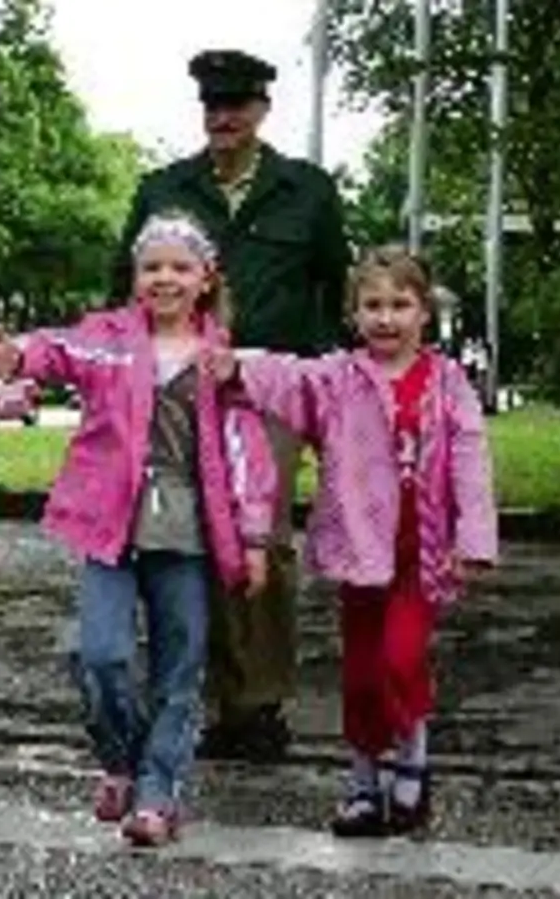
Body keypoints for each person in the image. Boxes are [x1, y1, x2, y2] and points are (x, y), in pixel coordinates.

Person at [0, 211, 276, 847]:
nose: (164, 278)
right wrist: (19, 357)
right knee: (100, 656)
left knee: (181, 662)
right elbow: (56, 349)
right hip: (109, 523)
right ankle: (122, 757)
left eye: (180, 267)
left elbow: (246, 451)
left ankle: (156, 793)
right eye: (152, 266)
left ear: (205, 278)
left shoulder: (219, 361)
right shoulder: (108, 339)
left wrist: (254, 538)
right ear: (135, 276)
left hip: (189, 532)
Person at [200, 245, 498, 837]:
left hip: (423, 552)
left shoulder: (448, 381)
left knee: (401, 659)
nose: (386, 318)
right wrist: (234, 366)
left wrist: (475, 536)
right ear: (353, 313)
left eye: (400, 305)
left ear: (424, 313)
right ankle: (364, 782)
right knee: (361, 674)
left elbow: (470, 457)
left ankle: (411, 759)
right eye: (372, 305)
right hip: (361, 552)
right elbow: (285, 376)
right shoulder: (339, 376)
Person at [110, 49, 353, 762]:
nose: (223, 118)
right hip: (179, 386)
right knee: (188, 540)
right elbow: (119, 291)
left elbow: (333, 292)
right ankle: (209, 697)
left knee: (263, 542)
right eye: (212, 105)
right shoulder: (164, 189)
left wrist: (327, 394)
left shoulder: (305, 190)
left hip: (269, 387)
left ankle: (260, 701)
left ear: (261, 110)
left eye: (236, 105)